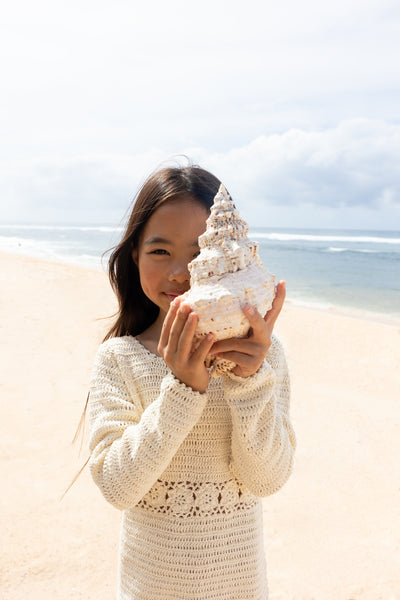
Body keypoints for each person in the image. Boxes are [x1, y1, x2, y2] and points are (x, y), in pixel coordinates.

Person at [88, 162, 296, 600]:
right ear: (134, 256)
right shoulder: (120, 358)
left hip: (239, 589)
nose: (181, 272)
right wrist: (182, 390)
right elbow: (117, 486)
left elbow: (268, 479)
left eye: (200, 254)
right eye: (160, 251)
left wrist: (250, 381)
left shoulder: (263, 357)